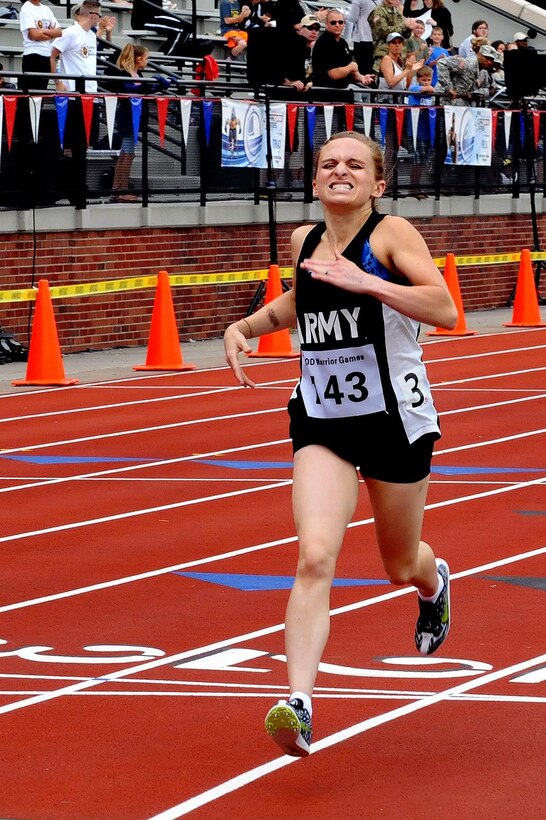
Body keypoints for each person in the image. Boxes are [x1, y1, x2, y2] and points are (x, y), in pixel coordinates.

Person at [224, 131, 457, 758]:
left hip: (395, 420)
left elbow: (444, 309)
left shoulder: (392, 234)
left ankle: (431, 583)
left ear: (377, 183)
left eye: (355, 164)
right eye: (328, 163)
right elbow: (304, 301)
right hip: (322, 420)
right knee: (314, 555)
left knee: (397, 562)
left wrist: (369, 283)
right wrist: (245, 327)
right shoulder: (304, 240)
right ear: (314, 179)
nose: (339, 171)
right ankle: (298, 703)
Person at [109, 43, 150, 202]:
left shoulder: (137, 73)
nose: (147, 62)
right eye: (146, 58)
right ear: (139, 59)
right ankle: (122, 189)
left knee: (125, 153)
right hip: (128, 116)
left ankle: (116, 187)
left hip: (134, 115)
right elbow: (130, 90)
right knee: (128, 154)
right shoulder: (125, 73)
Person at [312, 8, 374, 89]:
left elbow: (350, 71)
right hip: (326, 92)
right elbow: (334, 74)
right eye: (333, 22)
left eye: (340, 22)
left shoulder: (343, 42)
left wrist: (361, 77)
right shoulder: (324, 42)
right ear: (326, 24)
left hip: (342, 91)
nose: (337, 25)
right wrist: (351, 67)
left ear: (344, 24)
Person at [50, 1, 101, 93]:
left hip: (91, 91)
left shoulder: (92, 35)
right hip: (72, 91)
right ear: (93, 15)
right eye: (99, 15)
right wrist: (58, 82)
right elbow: (51, 55)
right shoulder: (70, 33)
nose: (99, 19)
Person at [435, 43, 502, 105]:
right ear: (479, 54)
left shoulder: (483, 71)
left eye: (491, 60)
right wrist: (448, 87)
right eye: (487, 58)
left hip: (460, 103)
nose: (489, 62)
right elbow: (442, 63)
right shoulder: (468, 63)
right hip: (445, 101)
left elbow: (477, 90)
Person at [19, 0, 62, 91]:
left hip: (46, 55)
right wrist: (50, 33)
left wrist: (42, 31)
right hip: (33, 55)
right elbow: (35, 35)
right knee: (32, 92)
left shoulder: (46, 9)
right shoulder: (26, 8)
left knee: (41, 92)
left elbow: (59, 32)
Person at [378, 31, 423, 100]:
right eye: (394, 42)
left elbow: (406, 86)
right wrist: (407, 69)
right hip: (387, 102)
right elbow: (391, 82)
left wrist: (411, 71)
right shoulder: (387, 59)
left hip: (398, 100)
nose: (397, 45)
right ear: (388, 45)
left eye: (399, 42)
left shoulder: (400, 61)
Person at [282, 14, 320, 92]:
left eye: (317, 29)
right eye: (310, 28)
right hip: (288, 93)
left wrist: (312, 82)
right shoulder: (291, 46)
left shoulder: (314, 49)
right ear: (301, 29)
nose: (314, 32)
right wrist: (290, 82)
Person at [348, 0, 378, 76]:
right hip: (376, 38)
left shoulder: (358, 0)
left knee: (363, 69)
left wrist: (343, 15)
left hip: (362, 37)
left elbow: (353, 18)